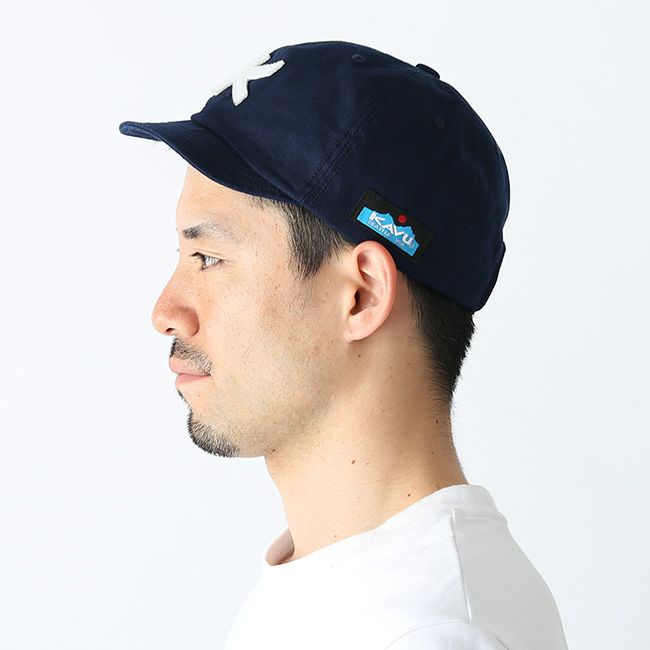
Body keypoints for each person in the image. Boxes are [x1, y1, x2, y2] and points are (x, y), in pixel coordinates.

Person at [119, 40, 569, 649]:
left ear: (360, 295)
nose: (165, 313)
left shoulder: (429, 632)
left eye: (209, 257)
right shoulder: (339, 585)